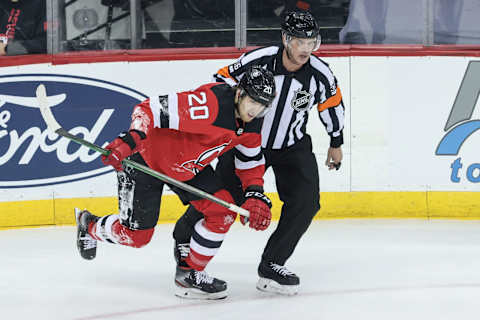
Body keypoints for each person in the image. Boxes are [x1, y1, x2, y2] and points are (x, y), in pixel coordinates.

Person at [173, 10, 345, 296]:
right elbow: (222, 80)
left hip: (292, 145)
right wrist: (227, 125)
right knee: (225, 199)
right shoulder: (260, 59)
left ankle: (272, 265)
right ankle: (184, 236)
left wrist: (336, 141)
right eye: (300, 42)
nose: (306, 49)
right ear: (285, 39)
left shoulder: (320, 73)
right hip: (246, 143)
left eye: (311, 42)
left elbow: (331, 103)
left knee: (306, 202)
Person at [74, 65, 276, 300]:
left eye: (263, 106)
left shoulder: (253, 123)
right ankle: (88, 225)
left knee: (223, 211)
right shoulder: (210, 104)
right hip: (145, 159)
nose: (256, 110)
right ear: (240, 93)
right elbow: (148, 109)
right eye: (253, 102)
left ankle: (189, 274)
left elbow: (249, 159)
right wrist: (132, 138)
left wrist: (254, 192)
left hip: (187, 167)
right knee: (137, 237)